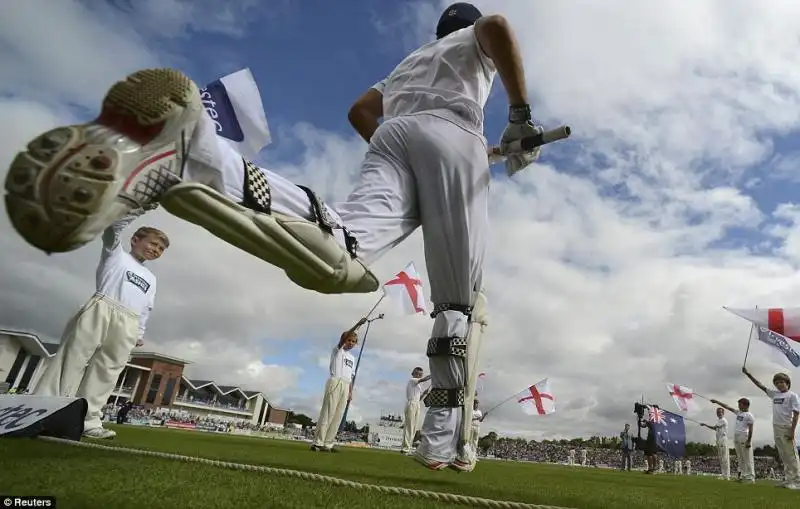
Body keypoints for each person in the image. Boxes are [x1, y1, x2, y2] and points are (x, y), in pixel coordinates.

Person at [4, 3, 547, 473]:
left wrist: (410, 144)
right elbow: (498, 25)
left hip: (394, 135)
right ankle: (443, 440)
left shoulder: (410, 63)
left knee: (341, 254)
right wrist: (519, 118)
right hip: (455, 134)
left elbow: (361, 109)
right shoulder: (473, 40)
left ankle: (199, 156)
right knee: (458, 300)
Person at [34, 209, 167, 439]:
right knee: (73, 359)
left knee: (108, 371)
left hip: (129, 321)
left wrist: (139, 331)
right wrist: (137, 208)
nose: (155, 250)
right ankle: (47, 414)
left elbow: (146, 308)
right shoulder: (116, 254)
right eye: (152, 243)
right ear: (135, 240)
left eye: (160, 249)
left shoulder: (151, 278)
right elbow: (112, 228)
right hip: (103, 305)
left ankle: (88, 421)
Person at [311, 318, 366, 453]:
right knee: (328, 412)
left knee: (338, 415)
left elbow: (351, 377)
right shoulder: (338, 351)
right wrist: (358, 325)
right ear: (344, 340)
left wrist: (350, 392)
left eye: (354, 341)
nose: (351, 343)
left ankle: (328, 443)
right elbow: (344, 338)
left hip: (346, 385)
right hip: (335, 380)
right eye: (349, 340)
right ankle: (318, 442)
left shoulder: (352, 358)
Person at [742, 368, 800, 488]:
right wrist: (748, 374)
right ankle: (789, 479)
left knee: (791, 455)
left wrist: (792, 431)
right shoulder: (774, 394)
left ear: (787, 383)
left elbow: (796, 414)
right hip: (776, 427)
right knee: (783, 455)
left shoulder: (792, 395)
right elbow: (760, 386)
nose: (779, 384)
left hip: (787, 427)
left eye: (781, 382)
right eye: (777, 382)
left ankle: (797, 480)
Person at [710, 396, 755, 483]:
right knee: (740, 457)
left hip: (744, 436)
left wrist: (749, 441)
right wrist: (716, 401)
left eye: (740, 404)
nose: (738, 406)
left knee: (747, 457)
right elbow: (727, 407)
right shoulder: (738, 413)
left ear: (745, 405)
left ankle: (750, 477)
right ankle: (743, 476)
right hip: (736, 436)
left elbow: (751, 429)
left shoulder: (749, 416)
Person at [401, 367, 431, 455]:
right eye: (417, 374)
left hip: (417, 404)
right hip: (411, 404)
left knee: (414, 428)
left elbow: (419, 399)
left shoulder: (418, 386)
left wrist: (424, 394)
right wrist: (433, 374)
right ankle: (405, 448)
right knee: (409, 426)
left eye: (420, 374)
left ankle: (408, 448)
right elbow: (424, 379)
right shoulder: (412, 380)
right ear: (413, 373)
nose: (418, 376)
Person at [701, 407, 731, 480]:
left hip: (722, 439)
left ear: (723, 413)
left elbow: (714, 427)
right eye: (717, 412)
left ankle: (726, 475)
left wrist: (705, 424)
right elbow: (714, 428)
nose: (718, 413)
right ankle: (724, 474)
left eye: (720, 412)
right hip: (719, 439)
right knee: (721, 458)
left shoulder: (723, 420)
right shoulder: (719, 421)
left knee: (724, 458)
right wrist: (705, 425)